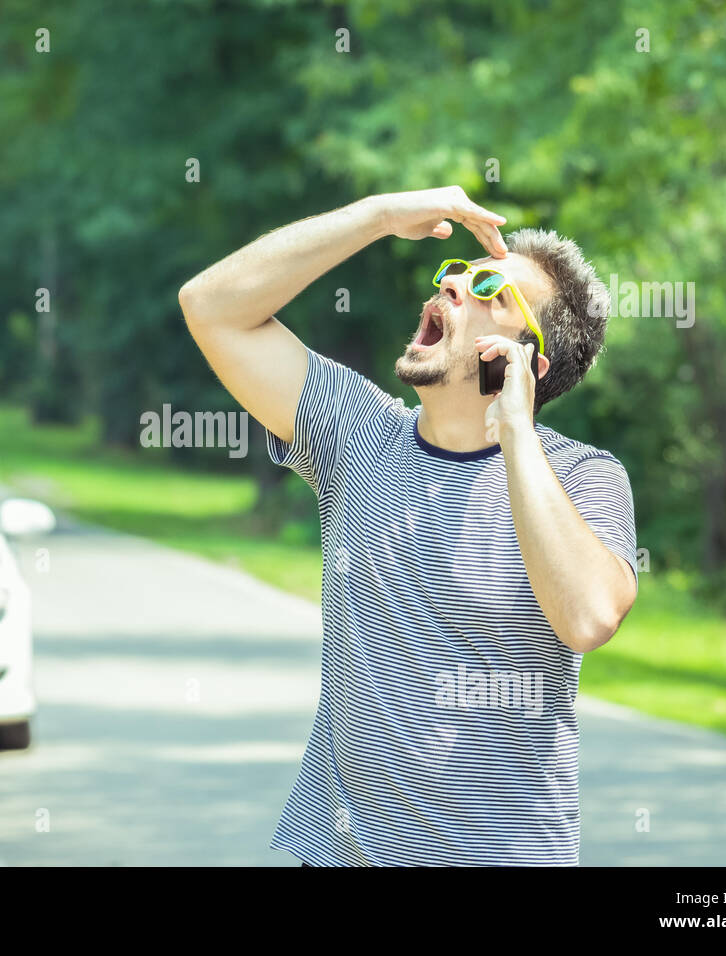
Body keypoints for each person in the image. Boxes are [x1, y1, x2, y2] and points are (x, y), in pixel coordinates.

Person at [177, 186, 638, 866]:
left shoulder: (582, 478)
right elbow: (211, 308)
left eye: (488, 288)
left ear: (526, 361)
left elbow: (590, 618)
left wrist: (514, 426)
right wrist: (381, 215)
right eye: (453, 272)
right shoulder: (355, 432)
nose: (454, 283)